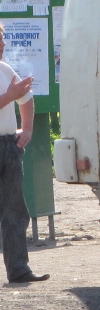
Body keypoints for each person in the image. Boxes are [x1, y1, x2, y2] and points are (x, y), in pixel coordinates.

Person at [0, 24, 46, 283]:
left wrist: (27, 128)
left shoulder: (5, 70)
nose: (3, 45)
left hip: (8, 147)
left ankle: (18, 270)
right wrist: (9, 96)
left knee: (15, 211)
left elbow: (25, 97)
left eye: (3, 39)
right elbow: (13, 95)